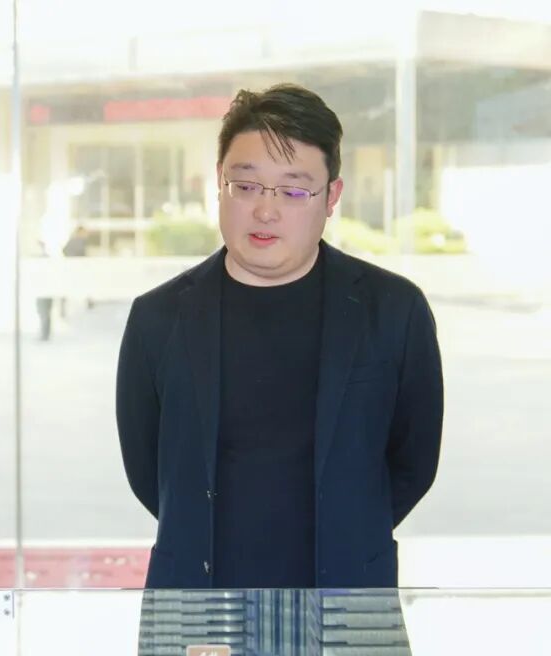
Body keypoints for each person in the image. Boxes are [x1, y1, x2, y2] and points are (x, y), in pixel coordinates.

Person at [116, 83, 443, 590]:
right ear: (219, 184)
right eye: (246, 186)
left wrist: (348, 531)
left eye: (293, 191)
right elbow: (148, 472)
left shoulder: (394, 311)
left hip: (348, 599)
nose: (265, 211)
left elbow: (413, 463)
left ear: (331, 197)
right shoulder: (157, 319)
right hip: (197, 603)